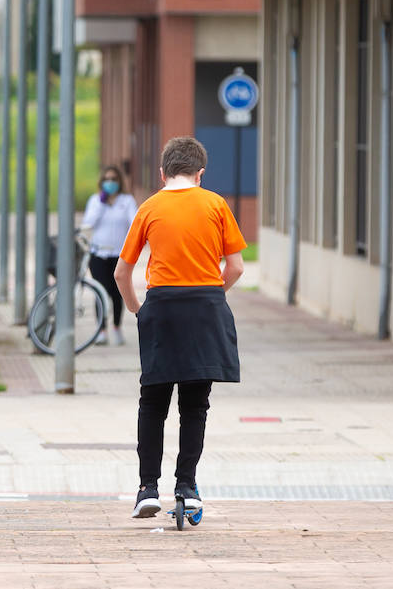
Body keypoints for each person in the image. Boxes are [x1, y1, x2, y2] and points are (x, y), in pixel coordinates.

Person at [113, 137, 246, 520]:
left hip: (162, 307)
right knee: (195, 403)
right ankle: (186, 487)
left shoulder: (150, 208)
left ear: (162, 173)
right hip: (204, 307)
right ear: (200, 173)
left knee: (152, 402)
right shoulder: (216, 205)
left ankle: (147, 489)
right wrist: (211, 295)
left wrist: (139, 310)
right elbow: (235, 267)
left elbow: (123, 271)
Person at [80, 165, 138, 346]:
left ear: (119, 181)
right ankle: (101, 330)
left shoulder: (126, 201)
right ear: (102, 182)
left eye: (114, 179)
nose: (110, 183)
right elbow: (88, 223)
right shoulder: (95, 201)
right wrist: (102, 203)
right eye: (107, 179)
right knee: (101, 291)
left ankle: (116, 327)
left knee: (116, 292)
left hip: (119, 255)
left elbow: (134, 222)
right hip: (98, 254)